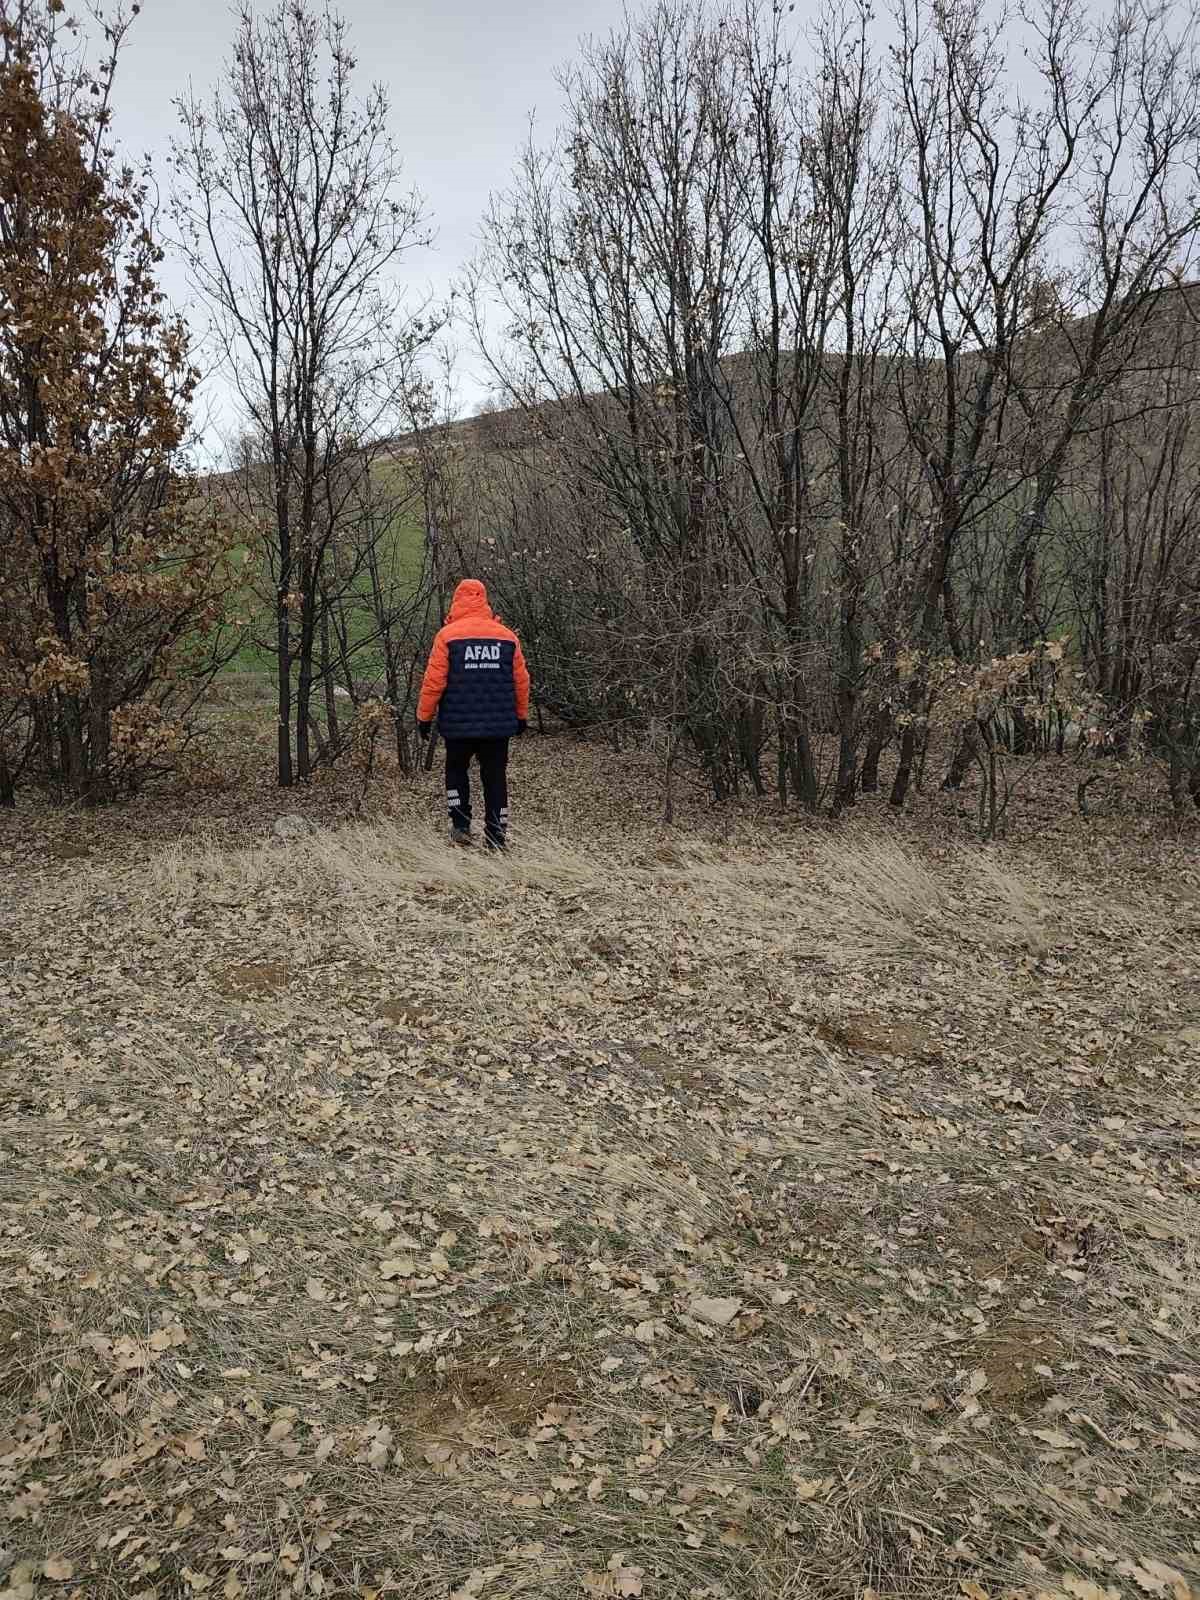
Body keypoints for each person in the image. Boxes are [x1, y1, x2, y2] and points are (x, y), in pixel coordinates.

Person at [416, 579, 531, 849]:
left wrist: (424, 717)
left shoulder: (447, 636)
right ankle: (496, 834)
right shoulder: (507, 637)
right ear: (484, 601)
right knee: (495, 776)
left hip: (458, 724)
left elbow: (433, 682)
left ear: (456, 601)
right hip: (498, 726)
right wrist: (521, 715)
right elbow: (521, 680)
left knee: (456, 769)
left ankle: (460, 825)